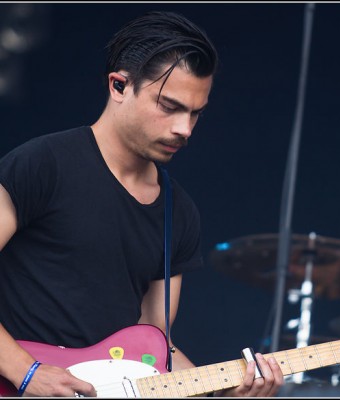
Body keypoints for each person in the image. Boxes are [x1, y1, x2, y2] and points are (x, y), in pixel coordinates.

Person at [0, 10, 284, 397]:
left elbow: (154, 350)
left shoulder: (178, 213)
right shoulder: (43, 164)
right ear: (119, 86)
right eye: (169, 106)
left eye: (195, 114)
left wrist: (220, 392)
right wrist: (25, 371)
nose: (184, 129)